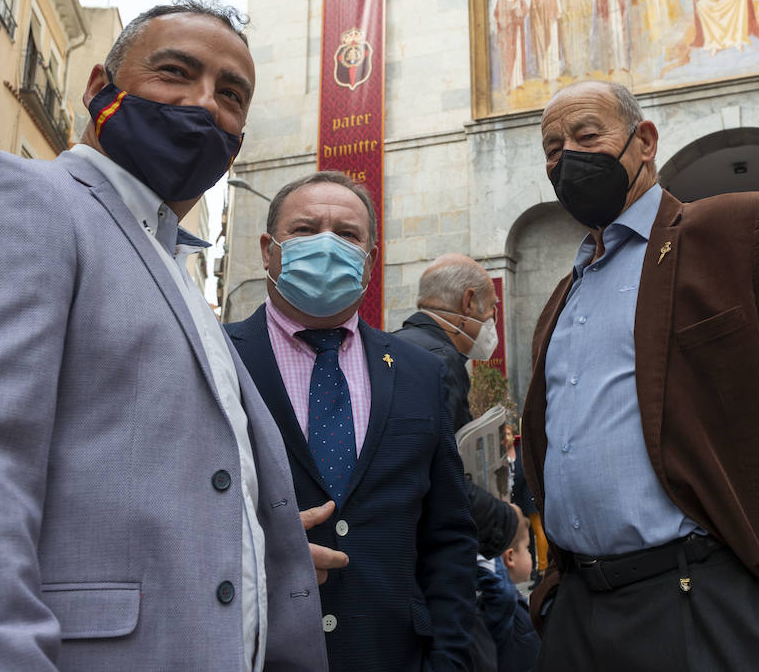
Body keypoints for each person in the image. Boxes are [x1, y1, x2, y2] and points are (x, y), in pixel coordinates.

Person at [0, 0, 330, 670]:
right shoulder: (16, 197)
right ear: (96, 89)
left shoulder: (173, 265)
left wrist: (247, 550)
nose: (203, 106)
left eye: (231, 94)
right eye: (176, 72)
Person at [522, 81, 759, 670]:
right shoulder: (564, 295)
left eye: (586, 135)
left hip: (712, 605)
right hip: (581, 616)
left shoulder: (742, 230)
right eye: (553, 148)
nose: (567, 159)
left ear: (643, 141)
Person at [225, 172, 477, 672]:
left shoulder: (419, 373)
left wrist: (449, 659)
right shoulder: (215, 359)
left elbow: (447, 536)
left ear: (370, 260)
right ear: (267, 250)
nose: (326, 244)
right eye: (303, 229)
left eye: (347, 234)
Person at [392, 254, 523, 564]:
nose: (493, 317)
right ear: (468, 302)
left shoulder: (394, 345)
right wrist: (507, 520)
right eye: (493, 307)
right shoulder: (441, 362)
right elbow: (442, 478)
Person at [474, 516, 541, 672]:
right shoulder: (502, 605)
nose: (530, 555)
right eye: (527, 548)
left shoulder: (505, 602)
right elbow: (501, 592)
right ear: (510, 557)